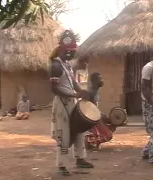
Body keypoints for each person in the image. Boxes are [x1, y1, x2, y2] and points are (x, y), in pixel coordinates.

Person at [49, 30, 94, 176]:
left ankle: (80, 158)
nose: (72, 54)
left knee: (79, 129)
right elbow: (54, 89)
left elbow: (74, 82)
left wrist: (82, 92)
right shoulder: (55, 66)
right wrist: (73, 94)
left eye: (73, 51)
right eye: (70, 51)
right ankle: (62, 165)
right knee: (64, 133)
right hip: (62, 103)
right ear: (63, 49)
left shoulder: (67, 65)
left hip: (72, 101)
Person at [84, 72, 116, 151]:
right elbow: (85, 109)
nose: (102, 81)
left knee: (113, 125)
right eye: (100, 79)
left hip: (95, 117)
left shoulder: (96, 92)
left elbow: (94, 108)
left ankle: (94, 143)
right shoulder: (90, 93)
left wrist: (102, 115)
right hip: (90, 120)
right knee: (108, 136)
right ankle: (87, 141)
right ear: (94, 81)